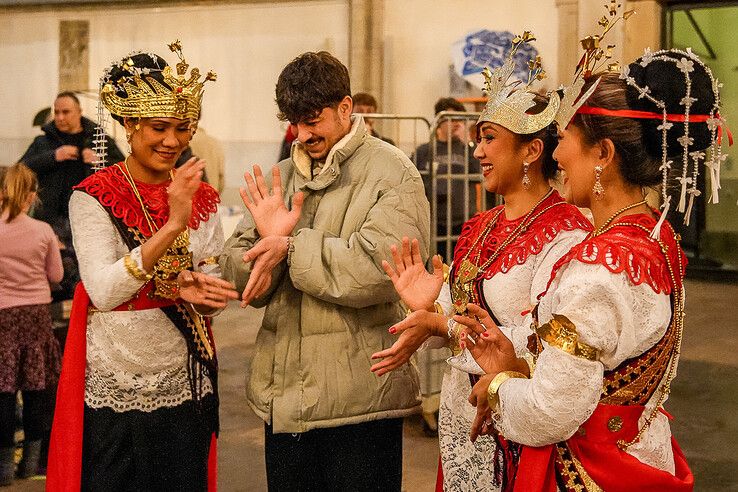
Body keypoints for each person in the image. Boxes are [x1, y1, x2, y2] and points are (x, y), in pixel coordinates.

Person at [461, 44, 726, 490]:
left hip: (591, 471)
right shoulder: (653, 235)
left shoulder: (599, 268)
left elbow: (550, 412)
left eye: (563, 139)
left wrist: (496, 386)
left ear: (602, 153)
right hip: (638, 451)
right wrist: (517, 360)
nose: (556, 155)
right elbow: (601, 366)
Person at [370, 36, 592, 491]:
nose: (477, 152)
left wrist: (443, 326)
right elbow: (459, 318)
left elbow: (544, 341)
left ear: (532, 150)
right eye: (477, 139)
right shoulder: (480, 225)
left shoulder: (565, 231)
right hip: (459, 418)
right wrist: (429, 308)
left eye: (490, 139)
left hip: (514, 427)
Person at [220, 51, 430, 491]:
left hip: (358, 399)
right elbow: (238, 274)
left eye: (313, 120)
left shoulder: (394, 175)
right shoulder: (281, 176)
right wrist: (263, 255)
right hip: (284, 399)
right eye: (295, 121)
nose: (303, 133)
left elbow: (378, 269)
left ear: (347, 108)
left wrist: (289, 248)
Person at [46, 43, 238, 491]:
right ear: (129, 125)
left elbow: (208, 283)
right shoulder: (92, 196)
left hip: (185, 378)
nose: (172, 141)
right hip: (117, 381)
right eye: (158, 127)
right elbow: (104, 291)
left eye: (182, 128)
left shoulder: (200, 196)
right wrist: (172, 225)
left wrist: (205, 294)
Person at [0, 163, 63, 485]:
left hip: (2, 320)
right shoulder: (42, 231)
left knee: (3, 394)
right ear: (30, 197)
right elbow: (56, 276)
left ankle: (3, 471)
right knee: (38, 392)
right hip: (36, 315)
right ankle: (33, 464)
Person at [19, 92, 124, 227]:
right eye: (56, 113)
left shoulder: (100, 139)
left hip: (90, 217)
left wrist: (100, 160)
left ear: (79, 112)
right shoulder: (43, 141)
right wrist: (53, 157)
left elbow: (124, 169)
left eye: (66, 112)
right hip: (51, 218)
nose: (60, 117)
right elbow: (20, 169)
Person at [413, 97, 483, 259]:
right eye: (451, 119)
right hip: (434, 223)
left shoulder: (468, 149)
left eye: (459, 120)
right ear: (439, 121)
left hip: (464, 222)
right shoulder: (425, 151)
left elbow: (480, 173)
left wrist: (469, 142)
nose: (456, 124)